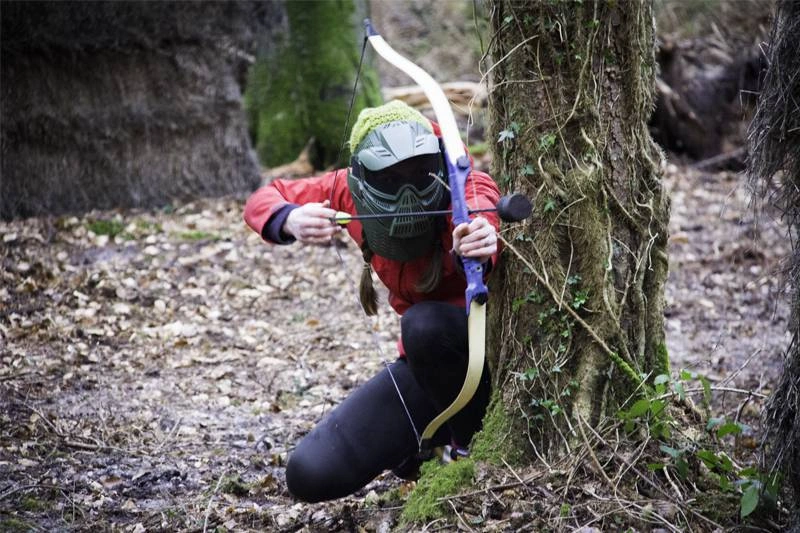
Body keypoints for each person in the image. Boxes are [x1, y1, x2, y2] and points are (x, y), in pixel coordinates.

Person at [243, 100, 501, 503]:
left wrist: (484, 238)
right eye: (391, 175)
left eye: (418, 170)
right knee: (311, 472)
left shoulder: (458, 177)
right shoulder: (346, 188)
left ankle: (467, 453)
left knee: (424, 324)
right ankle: (428, 442)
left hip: (481, 357)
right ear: (364, 174)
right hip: (425, 369)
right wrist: (289, 218)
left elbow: (483, 210)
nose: (408, 187)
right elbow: (265, 197)